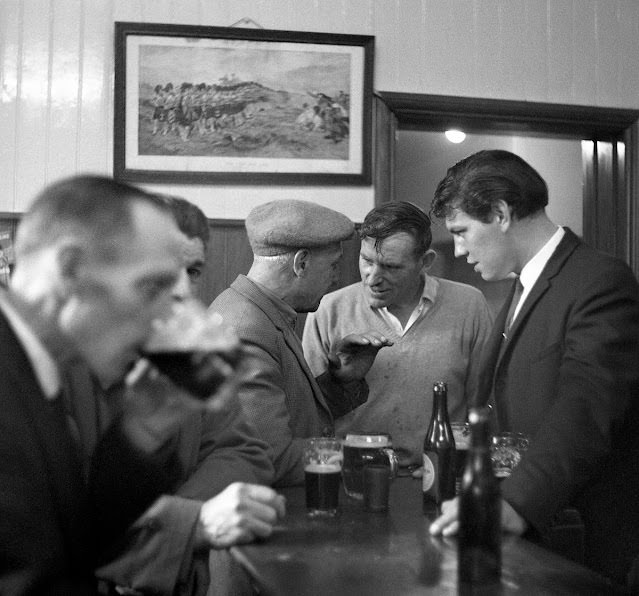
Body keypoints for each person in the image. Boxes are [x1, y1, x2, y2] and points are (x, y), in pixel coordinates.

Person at [0, 176, 284, 595]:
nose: (165, 316)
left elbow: (66, 546)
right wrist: (195, 521)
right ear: (70, 268)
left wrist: (140, 434)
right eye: (150, 287)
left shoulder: (35, 361)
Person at [427, 150, 639, 589]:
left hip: (578, 538)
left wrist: (516, 503)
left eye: (462, 231)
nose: (460, 250)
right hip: (525, 536)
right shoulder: (523, 284)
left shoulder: (599, 281)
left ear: (501, 214)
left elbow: (585, 406)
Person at [209, 199, 393, 486]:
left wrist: (340, 382)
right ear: (301, 263)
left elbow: (293, 414)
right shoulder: (245, 330)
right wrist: (367, 454)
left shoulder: (262, 313)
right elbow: (272, 457)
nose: (335, 279)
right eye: (333, 266)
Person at [303, 202, 492, 468]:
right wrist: (341, 382)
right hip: (353, 475)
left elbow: (483, 406)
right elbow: (308, 419)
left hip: (440, 474)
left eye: (390, 267)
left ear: (425, 262)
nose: (372, 278)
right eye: (367, 261)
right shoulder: (327, 310)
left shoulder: (469, 305)